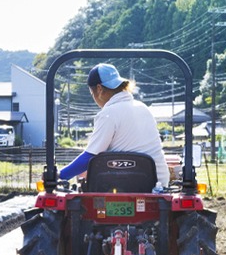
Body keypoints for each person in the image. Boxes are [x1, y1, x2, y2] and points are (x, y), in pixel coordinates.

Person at [58, 63, 169, 191]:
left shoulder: (108, 114)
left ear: (99, 89)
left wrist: (60, 175)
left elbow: (90, 157)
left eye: (91, 93)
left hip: (125, 186)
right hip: (157, 184)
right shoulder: (143, 108)